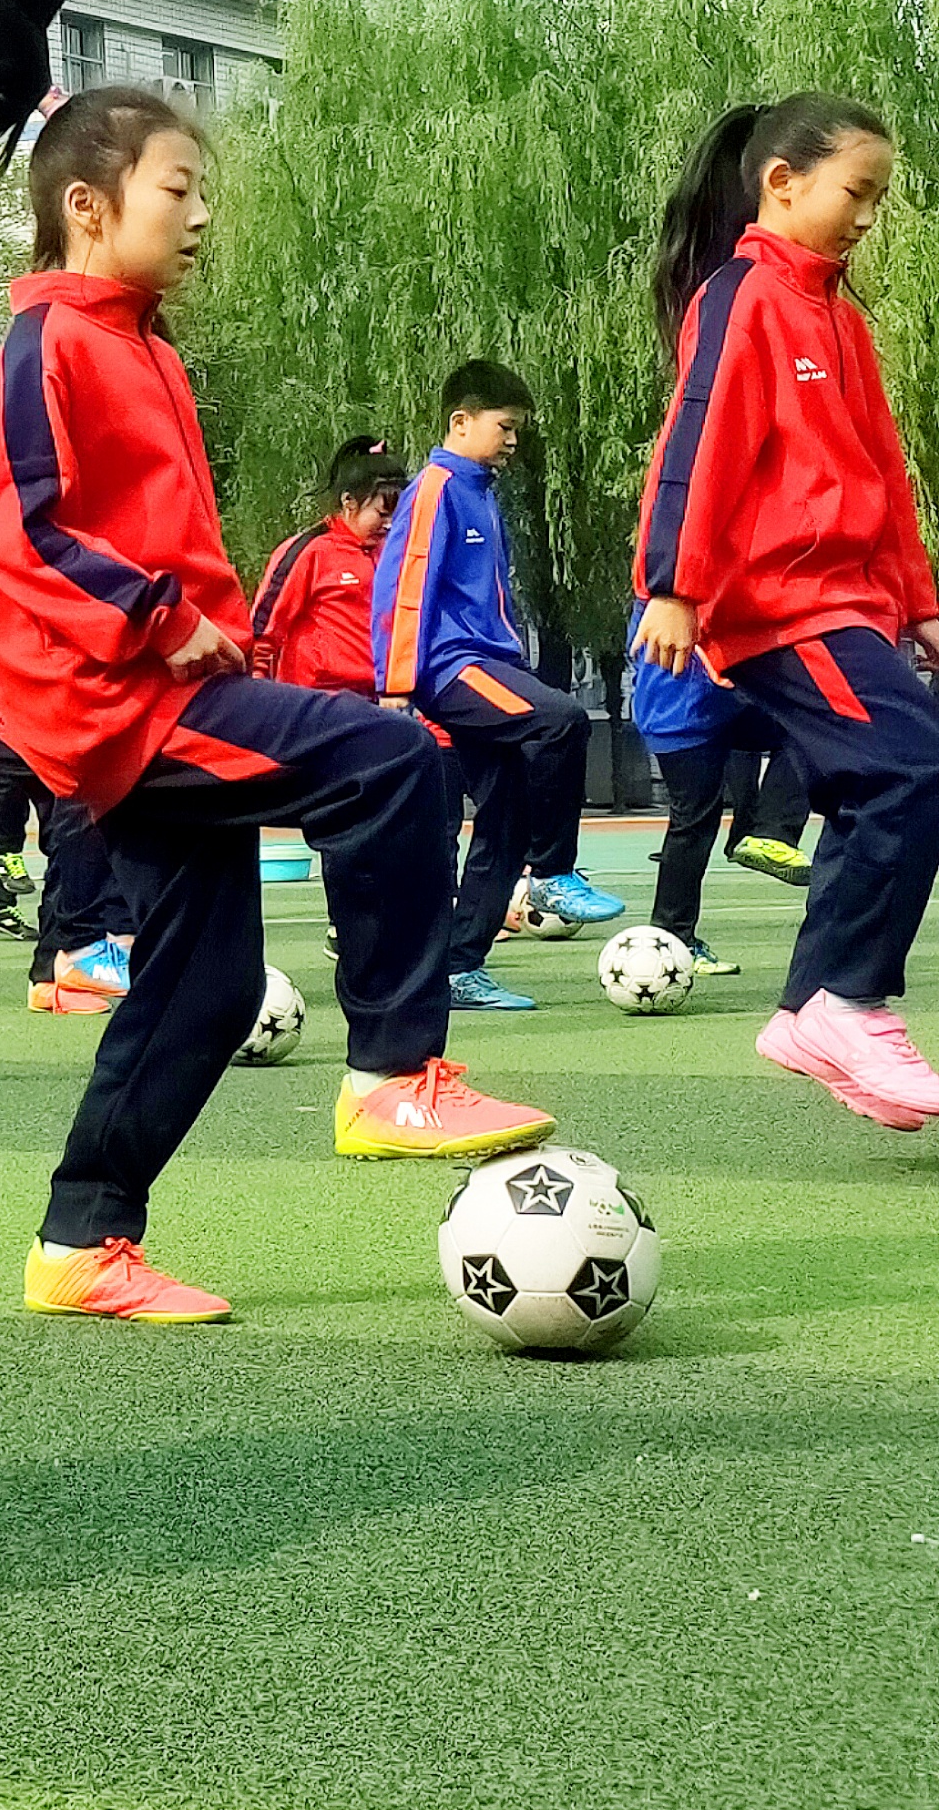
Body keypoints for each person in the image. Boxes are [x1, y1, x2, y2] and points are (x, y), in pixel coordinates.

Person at [0, 0, 546, 1327]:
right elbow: (17, 531)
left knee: (197, 992)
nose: (197, 215)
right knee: (392, 760)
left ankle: (78, 1244)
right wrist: (152, 613)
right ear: (90, 204)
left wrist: (186, 614)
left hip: (145, 701)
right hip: (114, 709)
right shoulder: (43, 349)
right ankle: (391, 1073)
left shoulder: (135, 348)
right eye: (176, 188)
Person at [635, 93, 939, 1127]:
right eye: (854, 191)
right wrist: (671, 582)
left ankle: (810, 1006)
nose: (864, 214)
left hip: (847, 601)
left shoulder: (838, 319)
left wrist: (918, 600)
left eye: (875, 198)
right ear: (781, 182)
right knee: (909, 763)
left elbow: (880, 475)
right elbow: (695, 437)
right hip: (775, 603)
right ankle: (847, 999)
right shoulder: (741, 296)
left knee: (873, 785)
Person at [374, 361, 629, 1010]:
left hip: (488, 663)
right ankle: (550, 874)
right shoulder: (435, 486)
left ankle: (460, 966)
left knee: (504, 815)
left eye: (516, 428)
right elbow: (404, 588)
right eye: (504, 426)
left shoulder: (482, 489)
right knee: (562, 719)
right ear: (460, 421)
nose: (513, 439)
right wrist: (395, 685)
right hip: (449, 666)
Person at [0, 535, 129, 1007]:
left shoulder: (44, 528)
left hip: (43, 712)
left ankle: (51, 977)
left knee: (73, 831)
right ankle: (72, 942)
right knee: (78, 815)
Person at [627, 598, 803, 980]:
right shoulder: (668, 590)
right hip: (680, 717)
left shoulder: (697, 580)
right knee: (694, 822)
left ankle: (770, 833)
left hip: (718, 706)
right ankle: (673, 938)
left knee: (808, 727)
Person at [248, 437, 406, 695]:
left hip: (381, 699)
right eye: (381, 514)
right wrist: (257, 694)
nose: (389, 524)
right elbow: (262, 632)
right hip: (319, 699)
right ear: (349, 502)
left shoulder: (392, 553)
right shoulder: (310, 551)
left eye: (396, 516)